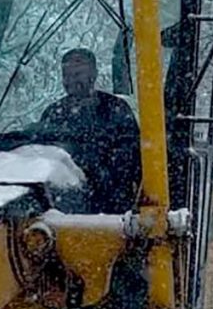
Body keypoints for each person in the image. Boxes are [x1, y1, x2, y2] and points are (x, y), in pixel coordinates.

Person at [32, 47, 141, 212]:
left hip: (111, 207)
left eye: (77, 74)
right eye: (66, 76)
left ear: (94, 74)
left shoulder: (116, 109)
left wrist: (96, 169)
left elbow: (132, 159)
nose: (70, 81)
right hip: (62, 207)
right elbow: (43, 155)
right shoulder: (53, 113)